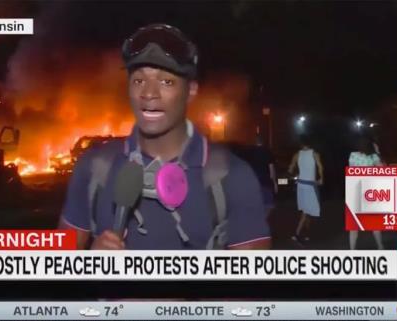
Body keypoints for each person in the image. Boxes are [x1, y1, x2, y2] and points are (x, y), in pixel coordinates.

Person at [59, 24, 270, 250]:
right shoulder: (94, 168)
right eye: (139, 81)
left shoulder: (232, 177)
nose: (149, 94)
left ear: (191, 91)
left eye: (166, 82)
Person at [348, 136, 385, 250]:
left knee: (354, 226)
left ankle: (352, 250)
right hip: (369, 192)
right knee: (374, 222)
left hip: (355, 192)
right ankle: (380, 247)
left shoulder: (352, 155)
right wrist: (377, 152)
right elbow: (383, 169)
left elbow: (352, 171)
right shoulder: (373, 157)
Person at [288, 135, 323, 245]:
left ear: (301, 143)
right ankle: (296, 234)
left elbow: (290, 169)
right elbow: (320, 166)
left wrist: (296, 176)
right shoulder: (315, 154)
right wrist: (321, 178)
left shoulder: (297, 154)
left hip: (301, 184)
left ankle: (306, 233)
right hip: (309, 185)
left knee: (306, 209)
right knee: (307, 210)